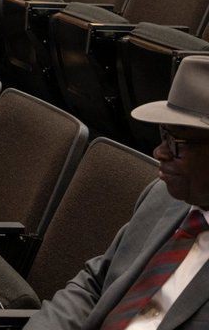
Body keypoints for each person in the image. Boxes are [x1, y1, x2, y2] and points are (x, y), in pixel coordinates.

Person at [24, 55, 209, 329]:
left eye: (176, 142)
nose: (159, 153)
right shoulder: (162, 197)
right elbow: (96, 283)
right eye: (162, 135)